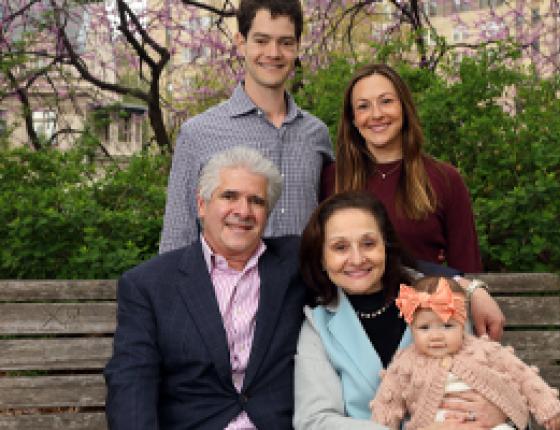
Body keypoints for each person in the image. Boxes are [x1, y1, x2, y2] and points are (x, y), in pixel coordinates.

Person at [105, 147, 306, 429]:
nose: (243, 211)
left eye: (257, 201)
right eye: (229, 196)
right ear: (202, 204)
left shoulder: (297, 265)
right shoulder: (150, 285)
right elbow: (132, 382)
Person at [294, 191, 506, 429]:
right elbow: (314, 420)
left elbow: (493, 381)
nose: (356, 258)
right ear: (322, 259)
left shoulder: (436, 296)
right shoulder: (318, 325)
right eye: (340, 247)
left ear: (386, 244)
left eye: (368, 243)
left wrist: (501, 412)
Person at [160, 0, 333, 253]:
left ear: (297, 47)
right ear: (241, 43)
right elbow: (177, 239)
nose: (273, 53)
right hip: (225, 291)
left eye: (285, 42)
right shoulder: (198, 133)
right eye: (261, 41)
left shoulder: (316, 135)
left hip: (303, 290)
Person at [321, 63, 481, 273]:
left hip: (424, 303)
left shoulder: (444, 178)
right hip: (349, 305)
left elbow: (467, 268)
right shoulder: (332, 178)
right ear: (352, 119)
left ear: (404, 108)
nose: (376, 114)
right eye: (363, 106)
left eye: (386, 101)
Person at [371, 276, 560, 430]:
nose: (436, 336)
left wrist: (546, 405)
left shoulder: (485, 350)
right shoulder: (404, 364)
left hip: (488, 424)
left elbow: (523, 375)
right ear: (411, 328)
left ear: (462, 323)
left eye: (447, 326)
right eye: (424, 328)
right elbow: (386, 404)